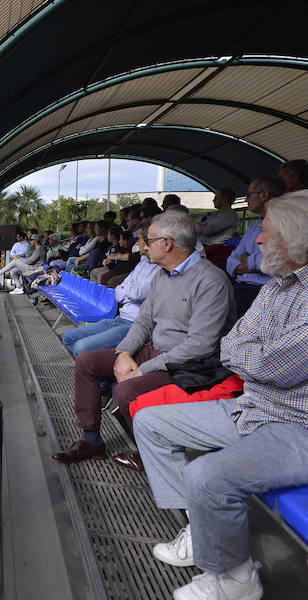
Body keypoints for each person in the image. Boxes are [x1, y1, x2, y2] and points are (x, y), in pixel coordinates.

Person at [134, 194, 308, 600]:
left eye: (264, 232)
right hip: (254, 407)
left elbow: (275, 368)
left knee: (205, 475)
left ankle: (235, 579)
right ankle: (201, 528)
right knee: (150, 421)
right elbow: (232, 347)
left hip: (296, 425)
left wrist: (252, 356)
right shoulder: (278, 286)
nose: (257, 240)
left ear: (293, 238)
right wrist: (254, 356)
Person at [51, 211, 236, 468]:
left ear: (167, 243)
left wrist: (142, 370)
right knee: (87, 361)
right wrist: (125, 352)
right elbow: (144, 321)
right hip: (154, 351)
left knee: (126, 389)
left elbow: (200, 345)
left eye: (148, 240)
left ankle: (150, 453)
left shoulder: (211, 281)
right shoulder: (162, 275)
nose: (143, 246)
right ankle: (91, 440)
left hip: (190, 366)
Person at [63, 223, 160, 356]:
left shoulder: (162, 268)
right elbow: (119, 292)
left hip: (134, 325)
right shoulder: (143, 262)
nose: (137, 241)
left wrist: (125, 289)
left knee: (80, 348)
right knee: (68, 338)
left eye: (141, 238)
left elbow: (136, 293)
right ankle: (94, 366)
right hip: (120, 318)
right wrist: (126, 290)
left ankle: (98, 367)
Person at [226, 175, 286, 316]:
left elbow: (276, 262)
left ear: (264, 195)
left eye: (248, 194)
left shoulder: (286, 225)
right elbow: (231, 260)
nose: (246, 199)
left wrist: (247, 260)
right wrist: (255, 262)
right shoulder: (253, 227)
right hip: (240, 286)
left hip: (264, 290)